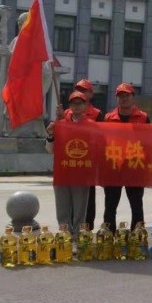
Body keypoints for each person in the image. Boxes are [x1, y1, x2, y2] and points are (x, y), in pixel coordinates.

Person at [102, 83, 150, 230]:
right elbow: (102, 143)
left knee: (136, 205)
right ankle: (109, 236)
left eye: (127, 96)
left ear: (133, 97)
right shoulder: (108, 118)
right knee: (110, 205)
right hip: (113, 168)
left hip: (135, 167)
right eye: (120, 96)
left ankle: (138, 235)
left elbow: (150, 142)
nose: (124, 99)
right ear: (116, 99)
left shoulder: (143, 117)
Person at [46, 91, 93, 234]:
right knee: (62, 210)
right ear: (70, 106)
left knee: (80, 211)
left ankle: (78, 237)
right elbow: (50, 149)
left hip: (81, 174)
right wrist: (51, 135)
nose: (77, 106)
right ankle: (64, 237)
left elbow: (97, 149)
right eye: (73, 103)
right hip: (62, 173)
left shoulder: (92, 126)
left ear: (85, 105)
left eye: (80, 103)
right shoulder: (60, 124)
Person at [69, 79, 104, 230]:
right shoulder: (67, 113)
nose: (81, 93)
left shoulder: (97, 114)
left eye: (84, 90)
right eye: (78, 89)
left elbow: (102, 139)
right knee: (70, 197)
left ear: (91, 94)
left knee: (88, 197)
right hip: (70, 162)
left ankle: (87, 229)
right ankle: (70, 229)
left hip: (89, 163)